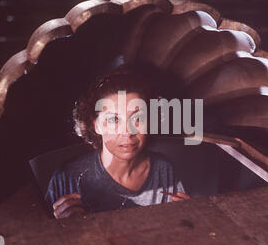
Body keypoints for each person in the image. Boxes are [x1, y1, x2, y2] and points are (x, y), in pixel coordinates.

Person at [45, 65, 190, 219]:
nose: (128, 132)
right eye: (114, 119)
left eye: (138, 118)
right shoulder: (68, 176)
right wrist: (59, 226)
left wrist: (188, 214)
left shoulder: (164, 168)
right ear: (96, 125)